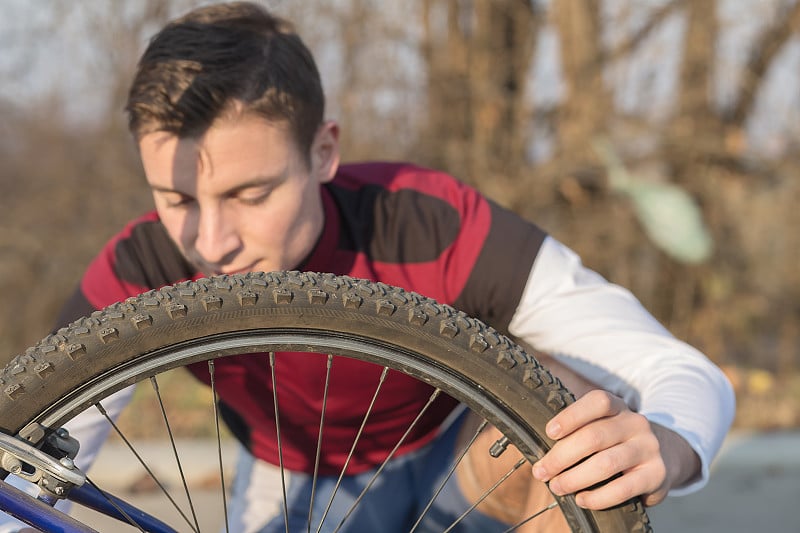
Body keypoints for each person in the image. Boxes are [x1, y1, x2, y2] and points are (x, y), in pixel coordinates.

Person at [3, 2, 735, 532]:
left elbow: (683, 373)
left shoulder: (431, 224)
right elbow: (28, 467)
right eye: (175, 197)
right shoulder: (143, 263)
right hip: (297, 473)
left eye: (249, 193)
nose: (213, 239)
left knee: (567, 407)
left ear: (324, 151)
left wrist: (663, 446)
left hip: (458, 453)